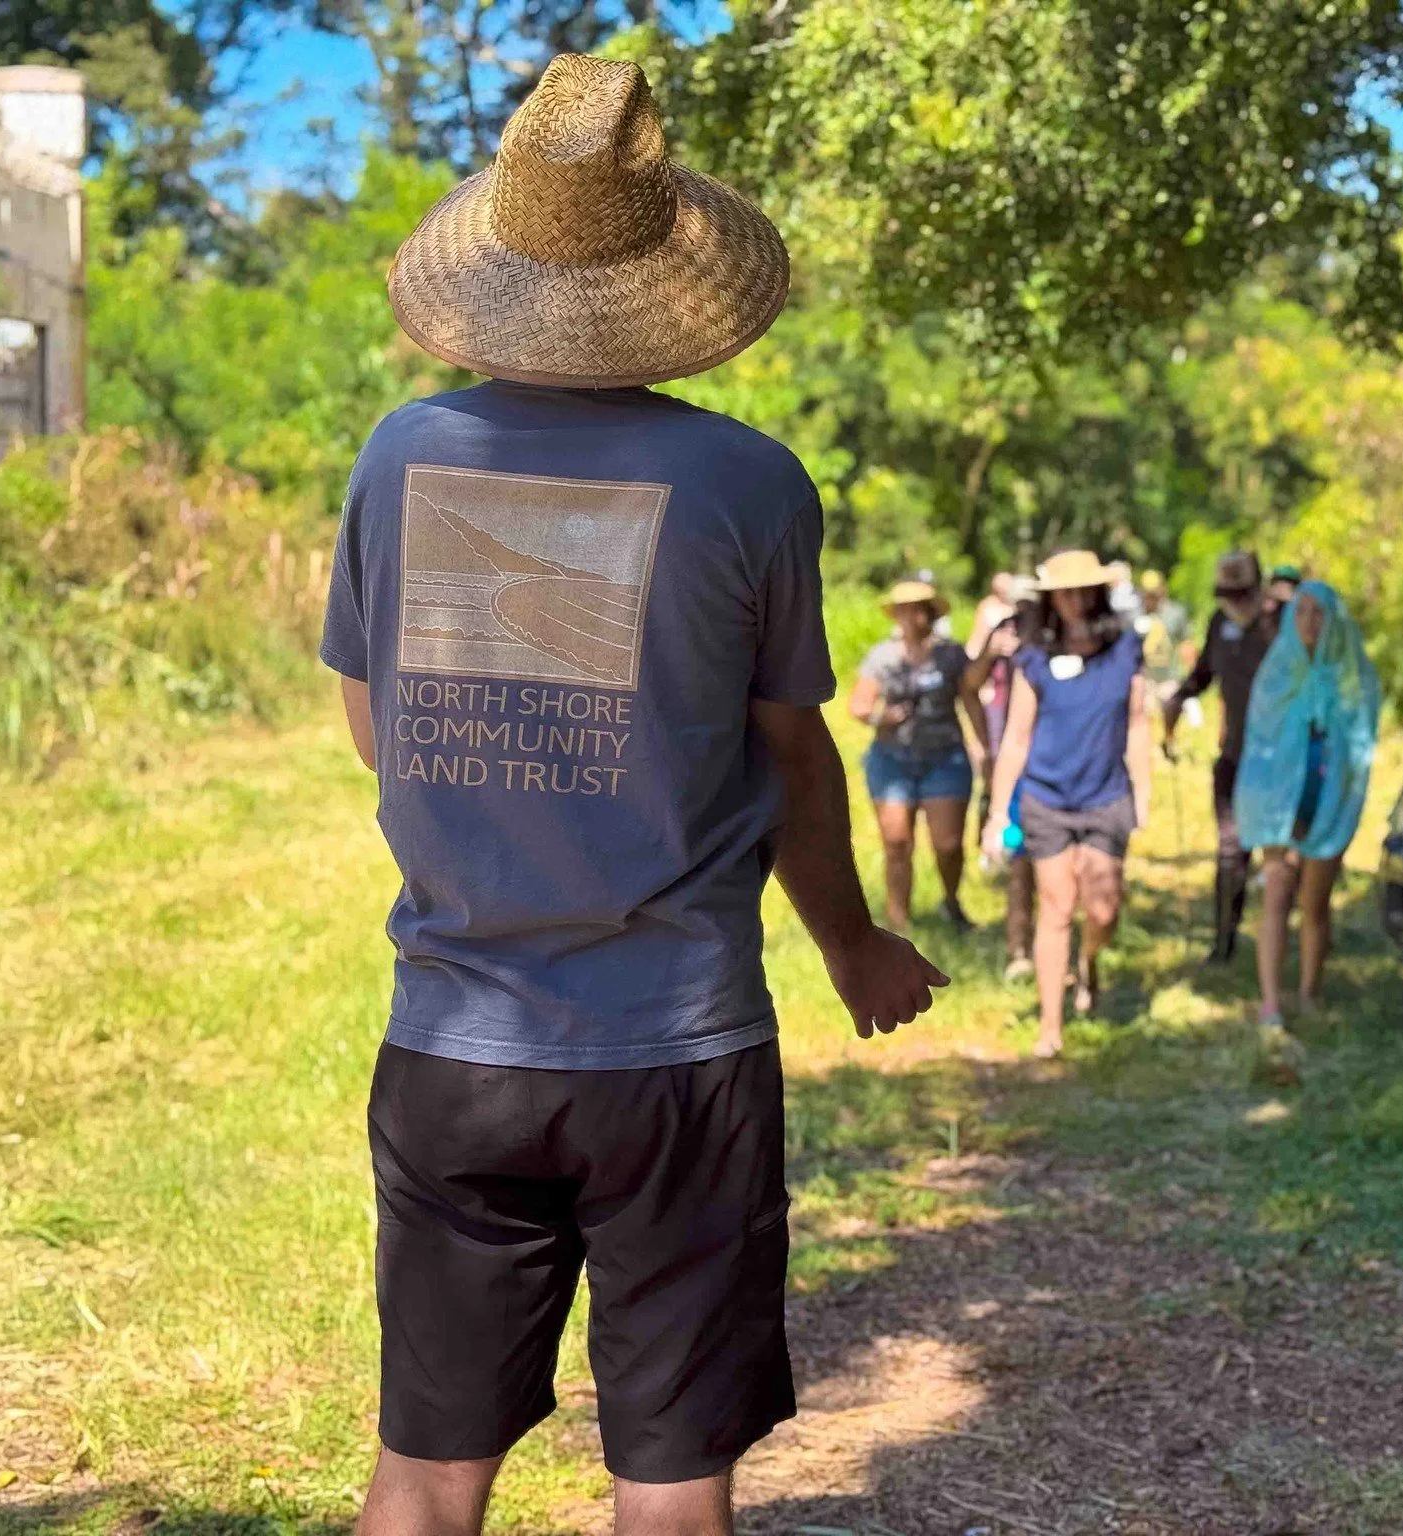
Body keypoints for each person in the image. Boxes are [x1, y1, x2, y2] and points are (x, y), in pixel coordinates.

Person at [322, 57, 947, 1536]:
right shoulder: (749, 483)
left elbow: (373, 728)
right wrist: (853, 945)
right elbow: (795, 753)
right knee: (670, 1491)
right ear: (668, 273)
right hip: (678, 1055)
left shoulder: (401, 455)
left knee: (421, 1480)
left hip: (452, 1042)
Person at [983, 549, 1152, 1058]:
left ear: (1099, 592)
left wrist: (1143, 793)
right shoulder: (1033, 655)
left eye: (1084, 590)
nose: (1075, 600)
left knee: (1102, 908)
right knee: (1056, 906)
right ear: (1051, 597)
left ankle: (1091, 961)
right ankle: (1050, 1027)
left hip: (1106, 794)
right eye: (1065, 591)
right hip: (1048, 796)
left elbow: (1139, 723)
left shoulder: (1125, 648)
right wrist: (996, 811)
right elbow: (1016, 736)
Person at [1233, 582, 1381, 1029]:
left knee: (1315, 903)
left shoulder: (1350, 675)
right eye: (1302, 612)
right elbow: (1259, 744)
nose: (1310, 622)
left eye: (1320, 613)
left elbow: (1360, 742)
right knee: (1277, 893)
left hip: (1328, 800)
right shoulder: (1277, 673)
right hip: (1280, 805)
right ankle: (1271, 1002)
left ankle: (1309, 993)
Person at [850, 577, 991, 932]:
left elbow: (970, 695)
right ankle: (898, 922)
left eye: (921, 609)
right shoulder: (882, 658)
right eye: (906, 609)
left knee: (947, 844)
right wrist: (883, 717)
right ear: (896, 614)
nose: (914, 616)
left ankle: (951, 901)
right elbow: (859, 705)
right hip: (892, 760)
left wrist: (985, 746)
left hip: (945, 758)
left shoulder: (950, 654)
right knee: (897, 841)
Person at [1165, 552, 1279, 963]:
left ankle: (1289, 937)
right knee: (1230, 850)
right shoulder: (1219, 623)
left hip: (1280, 761)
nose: (1233, 601)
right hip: (1234, 758)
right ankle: (1224, 940)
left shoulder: (1281, 623)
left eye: (1241, 592)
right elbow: (1203, 675)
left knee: (1284, 857)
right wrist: (1178, 698)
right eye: (1224, 592)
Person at [966, 577, 1036, 979]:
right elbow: (969, 685)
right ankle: (1018, 950)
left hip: (1052, 761)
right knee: (1021, 861)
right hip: (1010, 755)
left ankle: (1047, 948)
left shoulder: (1059, 637)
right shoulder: (1002, 633)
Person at [1135, 569, 1191, 691]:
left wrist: (1190, 680)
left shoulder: (1175, 613)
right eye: (1147, 594)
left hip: (1171, 680)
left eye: (1153, 594)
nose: (1150, 598)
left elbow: (1186, 646)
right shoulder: (1136, 616)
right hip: (1146, 682)